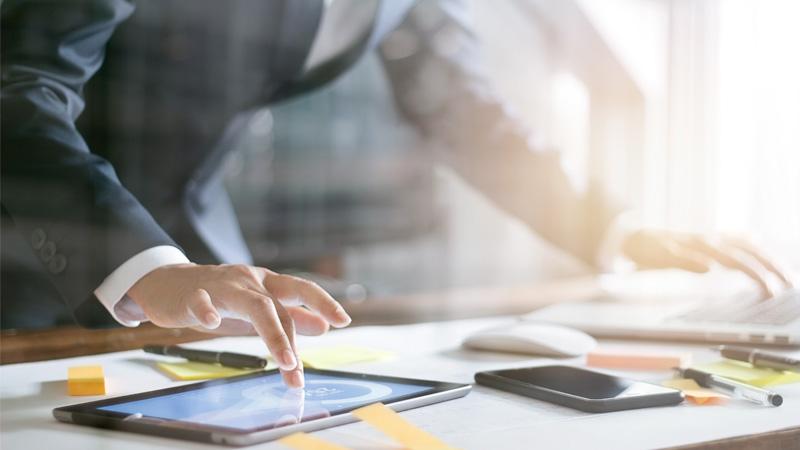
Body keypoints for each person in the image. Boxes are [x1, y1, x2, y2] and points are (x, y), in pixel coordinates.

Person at [1, 0, 791, 388]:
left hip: (200, 243)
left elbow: (461, 106)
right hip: (32, 233)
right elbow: (19, 88)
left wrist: (619, 229)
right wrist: (146, 268)